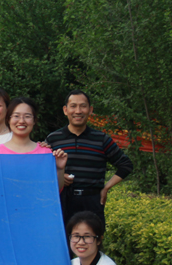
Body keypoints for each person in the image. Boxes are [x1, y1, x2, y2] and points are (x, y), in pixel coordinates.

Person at [46, 90, 134, 227]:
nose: (78, 111)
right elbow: (41, 170)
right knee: (62, 240)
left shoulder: (101, 139)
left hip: (92, 201)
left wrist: (106, 188)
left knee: (93, 239)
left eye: (83, 106)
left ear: (90, 110)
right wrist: (59, 176)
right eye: (73, 106)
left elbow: (126, 165)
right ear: (65, 110)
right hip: (62, 201)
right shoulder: (53, 139)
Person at [0, 97, 67, 191]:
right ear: (8, 119)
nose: (21, 121)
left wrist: (60, 169)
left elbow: (54, 190)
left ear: (34, 120)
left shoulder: (45, 153)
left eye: (27, 116)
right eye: (16, 116)